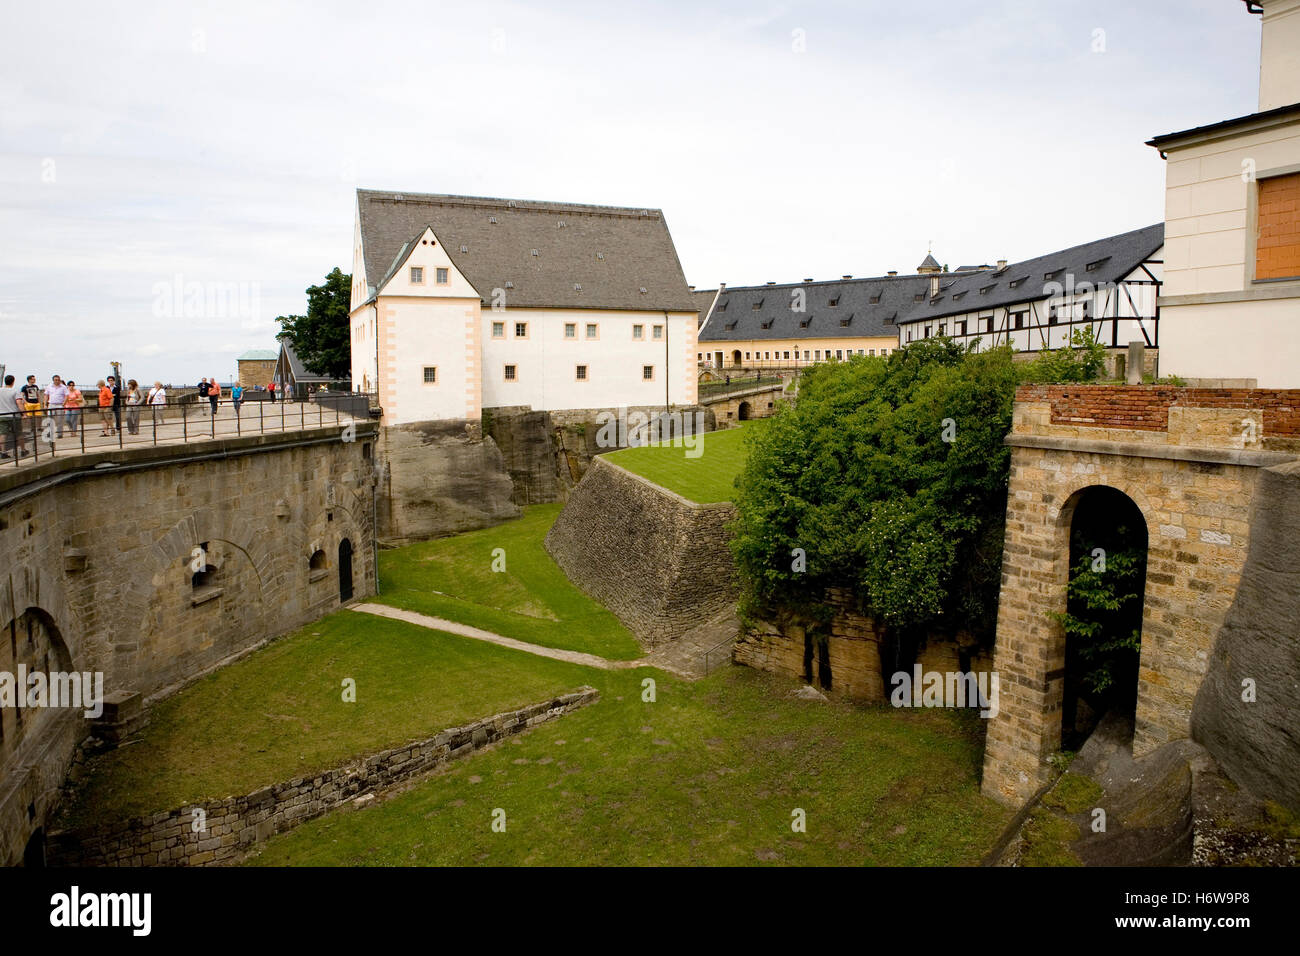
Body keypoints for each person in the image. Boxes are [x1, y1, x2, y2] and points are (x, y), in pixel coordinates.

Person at [0, 374, 25, 459]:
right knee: (19, 433)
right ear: (13, 381)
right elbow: (19, 403)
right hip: (14, 415)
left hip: (2, 415)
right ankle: (23, 450)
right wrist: (24, 414)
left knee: (3, 434)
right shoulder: (15, 391)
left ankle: (3, 452)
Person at [44, 374, 69, 439]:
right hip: (51, 404)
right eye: (56, 380)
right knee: (50, 419)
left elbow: (67, 395)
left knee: (60, 420)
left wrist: (64, 403)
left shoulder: (63, 387)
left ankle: (60, 434)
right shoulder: (49, 386)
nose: (57, 381)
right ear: (53, 380)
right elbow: (46, 395)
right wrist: (45, 404)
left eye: (58, 380)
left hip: (59, 405)